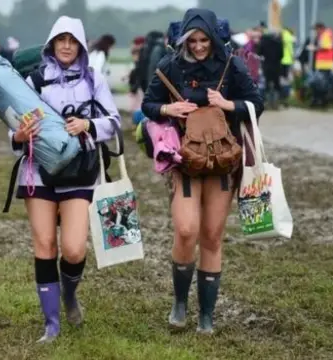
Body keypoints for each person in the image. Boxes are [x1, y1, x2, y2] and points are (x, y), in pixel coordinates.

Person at [141, 8, 264, 335]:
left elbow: (256, 103)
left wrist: (227, 105)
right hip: (184, 160)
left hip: (223, 160)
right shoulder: (169, 65)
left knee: (211, 235)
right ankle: (180, 303)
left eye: (203, 39)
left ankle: (206, 315)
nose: (197, 46)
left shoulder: (231, 64)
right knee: (185, 230)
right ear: (182, 38)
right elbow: (147, 105)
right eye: (192, 40)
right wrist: (169, 108)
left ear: (213, 36)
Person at [8, 15, 120, 343]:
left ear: (82, 45)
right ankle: (51, 322)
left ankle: (69, 296)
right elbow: (11, 130)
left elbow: (113, 121)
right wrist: (19, 134)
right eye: (61, 40)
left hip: (81, 174)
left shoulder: (93, 79)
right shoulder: (34, 80)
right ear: (52, 44)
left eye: (73, 41)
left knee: (72, 250)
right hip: (38, 173)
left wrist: (89, 126)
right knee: (44, 245)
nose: (67, 46)